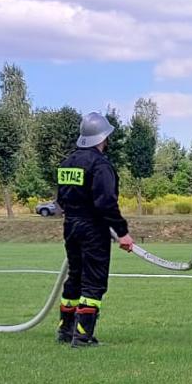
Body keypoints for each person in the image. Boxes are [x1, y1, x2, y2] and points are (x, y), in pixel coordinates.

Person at [55, 112, 134, 347]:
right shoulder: (100, 165)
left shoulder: (67, 163)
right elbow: (106, 203)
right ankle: (83, 336)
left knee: (75, 278)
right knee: (94, 281)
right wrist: (122, 232)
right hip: (93, 228)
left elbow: (60, 198)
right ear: (103, 137)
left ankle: (65, 330)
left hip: (71, 226)